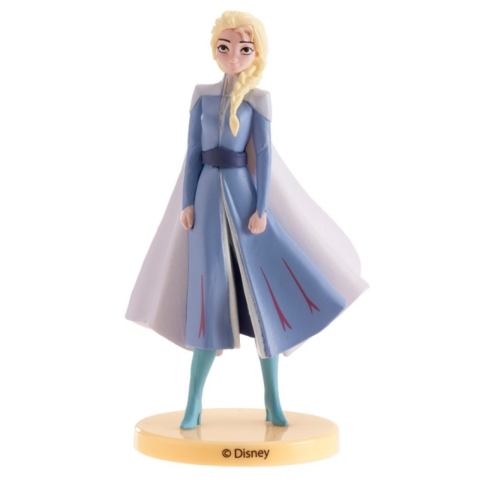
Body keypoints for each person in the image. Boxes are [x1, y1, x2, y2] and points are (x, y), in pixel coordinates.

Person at [125, 11, 368, 430]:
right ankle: (193, 403)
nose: (233, 56)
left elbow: (265, 156)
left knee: (265, 303)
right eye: (225, 47)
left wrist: (261, 209)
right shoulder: (201, 95)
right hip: (205, 197)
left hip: (243, 196)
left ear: (256, 53)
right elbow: (192, 153)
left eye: (244, 49)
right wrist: (187, 202)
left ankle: (272, 401)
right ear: (214, 49)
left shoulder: (258, 99)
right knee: (207, 296)